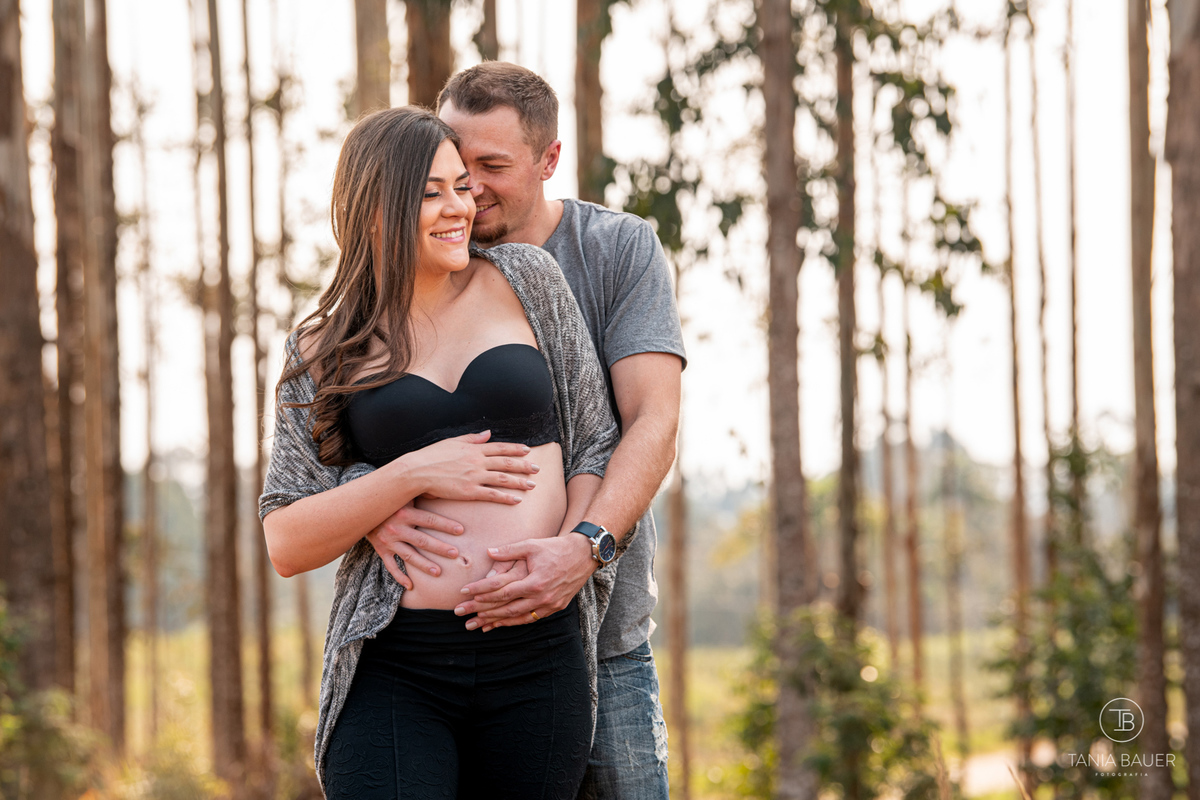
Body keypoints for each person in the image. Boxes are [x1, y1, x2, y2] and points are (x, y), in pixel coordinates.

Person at [258, 106, 624, 799]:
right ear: (374, 208)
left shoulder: (526, 279)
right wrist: (408, 474)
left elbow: (595, 442)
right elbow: (287, 537)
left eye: (462, 186)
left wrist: (573, 548)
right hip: (398, 665)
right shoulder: (322, 348)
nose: (460, 207)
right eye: (432, 192)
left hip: (537, 660)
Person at [365, 63, 686, 799]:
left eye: (492, 166)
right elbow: (350, 429)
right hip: (432, 656)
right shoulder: (419, 256)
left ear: (549, 161)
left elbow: (652, 420)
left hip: (601, 644)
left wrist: (585, 549)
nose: (466, 189)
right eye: (453, 164)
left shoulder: (616, 251)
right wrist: (371, 502)